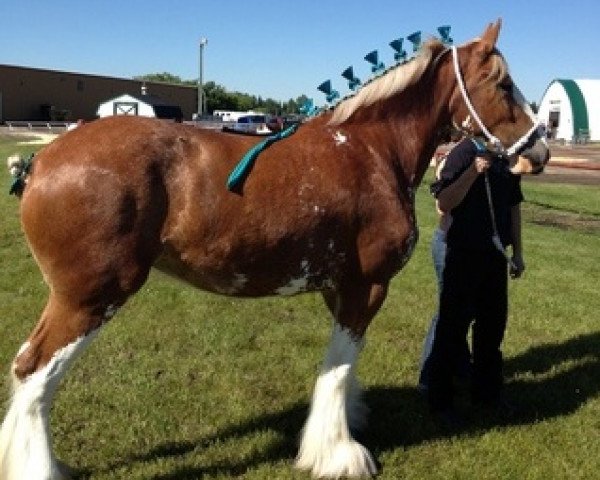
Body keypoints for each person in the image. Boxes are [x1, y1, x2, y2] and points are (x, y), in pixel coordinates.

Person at [426, 136, 525, 422]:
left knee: (492, 331)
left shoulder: (507, 156)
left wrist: (517, 252)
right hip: (463, 255)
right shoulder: (463, 153)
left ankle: (487, 395)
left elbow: (514, 206)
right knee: (451, 330)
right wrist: (472, 171)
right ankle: (440, 402)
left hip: (495, 257)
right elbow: (444, 203)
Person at [417, 154, 471, 392]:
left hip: (461, 243)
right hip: (449, 243)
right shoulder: (455, 159)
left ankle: (461, 365)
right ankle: (428, 374)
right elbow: (443, 206)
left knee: (464, 309)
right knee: (447, 311)